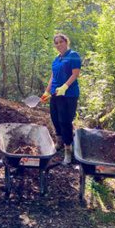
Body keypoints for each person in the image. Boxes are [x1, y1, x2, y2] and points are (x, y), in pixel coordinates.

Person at [40, 32, 82, 164]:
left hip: (69, 95)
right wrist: (47, 92)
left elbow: (75, 74)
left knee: (65, 121)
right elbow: (53, 77)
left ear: (66, 42)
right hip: (55, 94)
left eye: (61, 42)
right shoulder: (56, 59)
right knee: (55, 118)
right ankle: (59, 143)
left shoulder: (73, 55)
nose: (59, 45)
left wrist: (65, 86)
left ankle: (68, 151)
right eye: (56, 43)